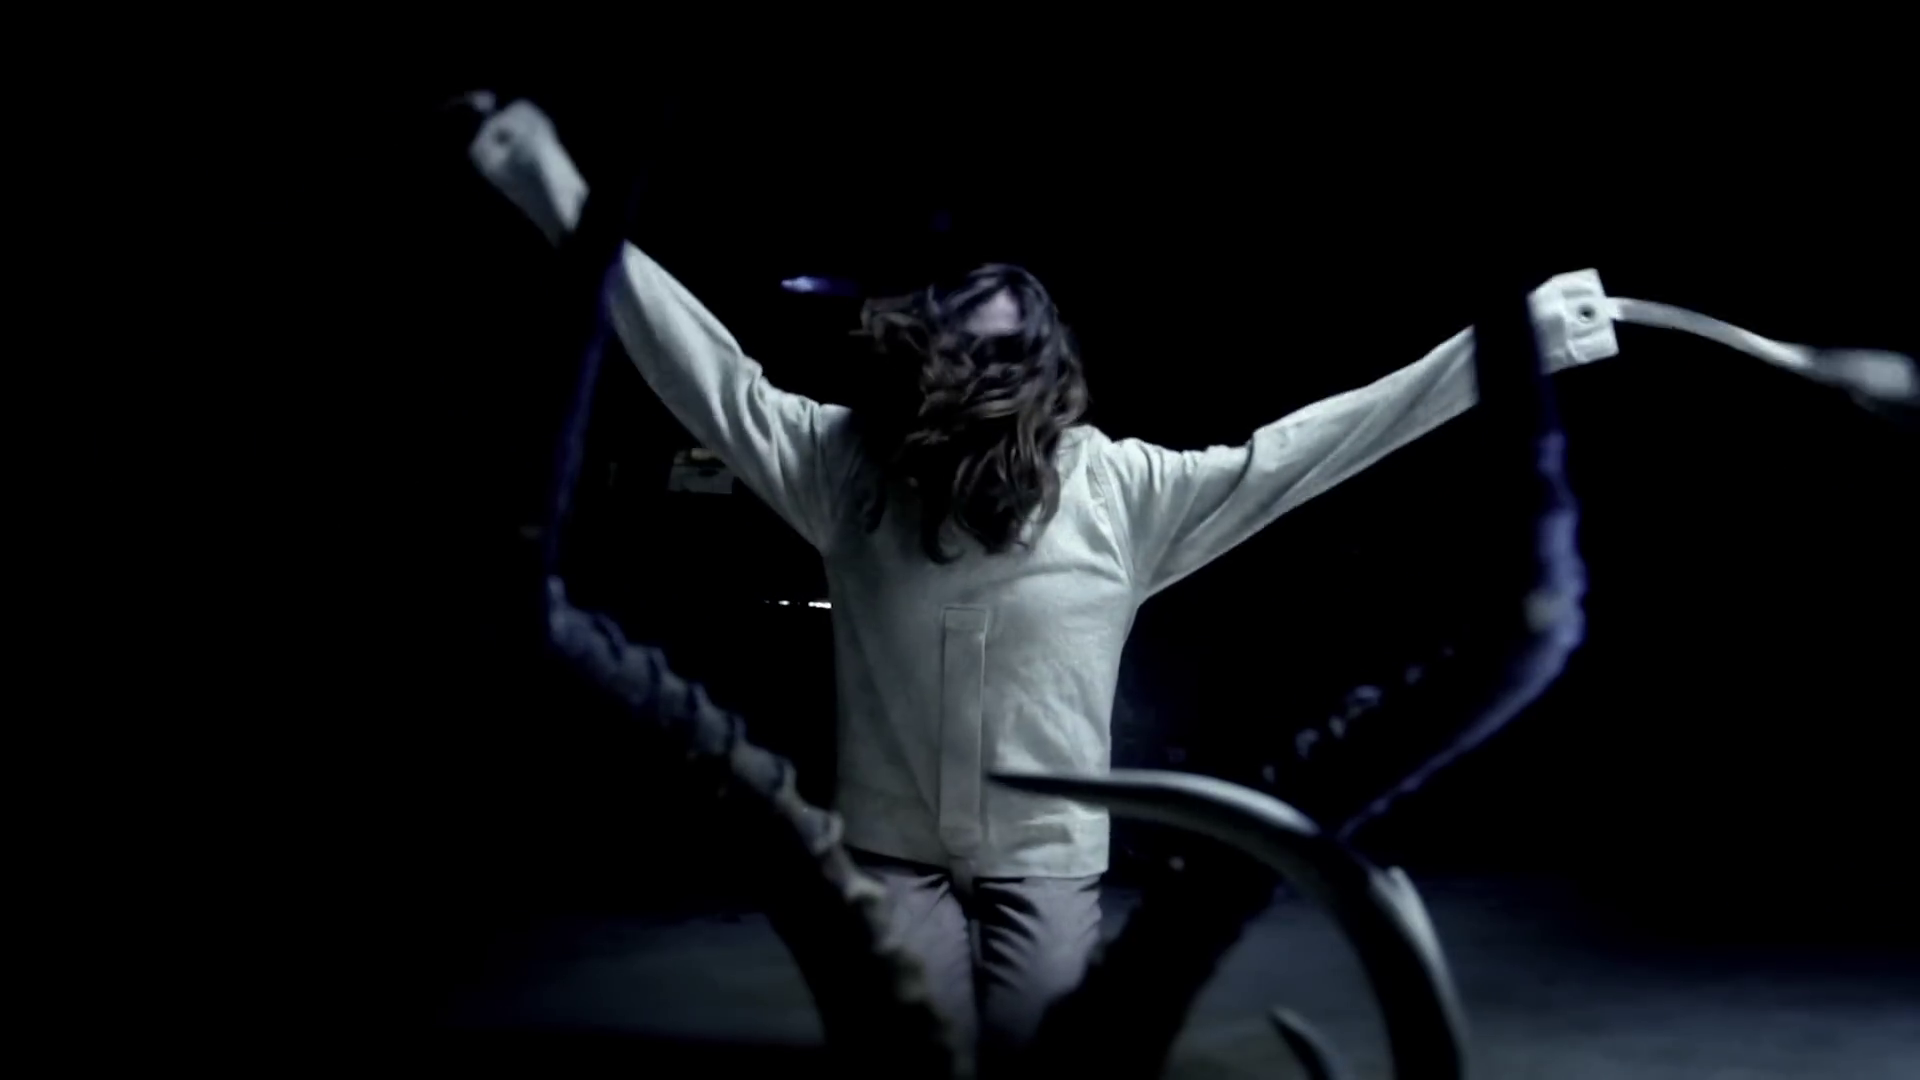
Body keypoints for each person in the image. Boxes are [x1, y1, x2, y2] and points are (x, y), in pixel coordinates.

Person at [466, 98, 1621, 1073]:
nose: (987, 352)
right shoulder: (844, 465)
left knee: (1041, 1062)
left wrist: (1517, 344)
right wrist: (544, 177)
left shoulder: (1122, 489)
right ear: (928, 355)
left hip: (1046, 862)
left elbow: (1307, 448)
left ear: (1048, 373)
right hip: (892, 854)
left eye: (1011, 340)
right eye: (966, 333)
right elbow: (704, 367)